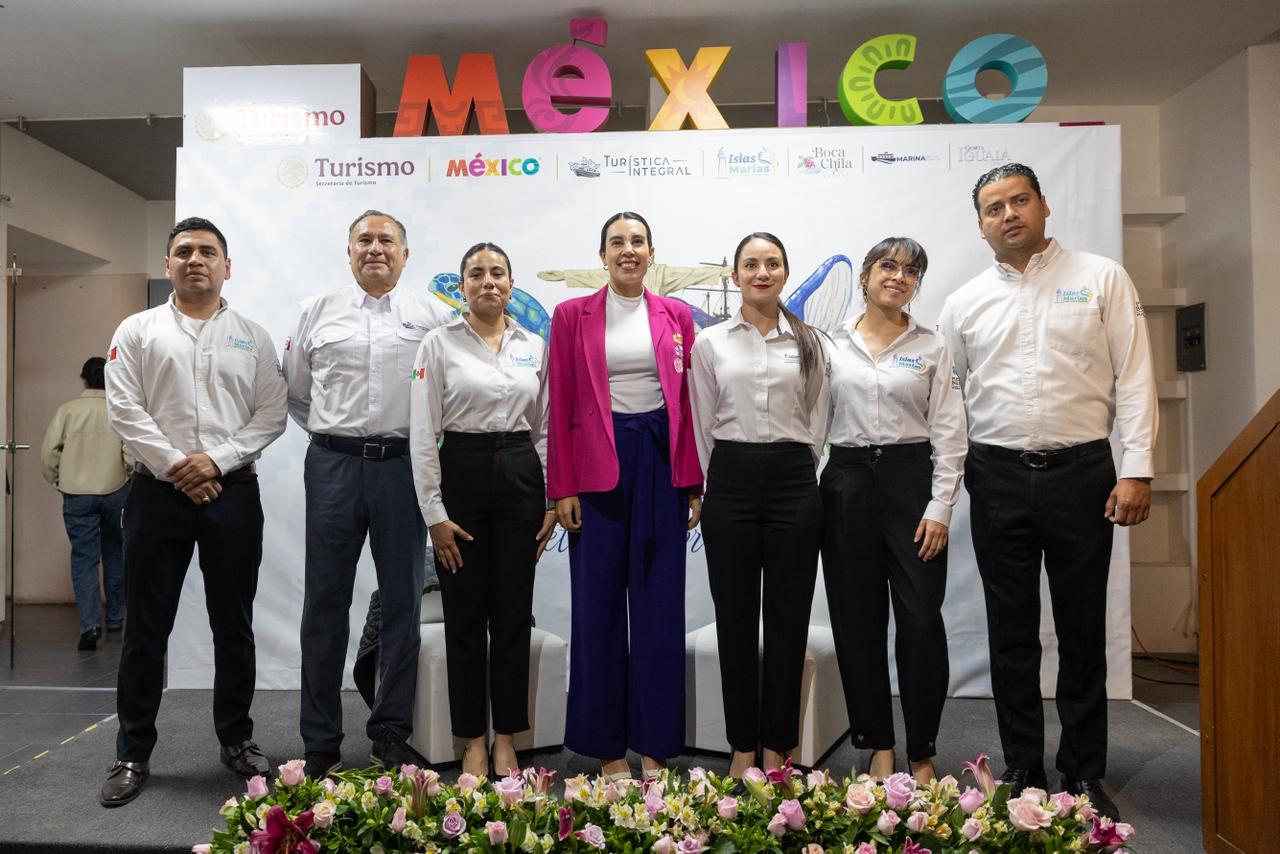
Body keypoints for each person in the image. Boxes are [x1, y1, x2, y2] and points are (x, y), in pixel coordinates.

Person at [939, 163, 1157, 821]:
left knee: (1081, 630)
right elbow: (949, 403)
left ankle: (1083, 770)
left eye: (1019, 200)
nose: (1008, 214)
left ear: (1044, 205)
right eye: (994, 207)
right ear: (980, 225)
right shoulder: (964, 303)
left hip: (1082, 475)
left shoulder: (1101, 278)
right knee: (1010, 632)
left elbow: (1135, 376)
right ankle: (1023, 767)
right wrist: (946, 486)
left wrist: (1137, 468)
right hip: (996, 477)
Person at [99, 217, 288, 807]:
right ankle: (132, 751)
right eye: (183, 251)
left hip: (233, 493)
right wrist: (179, 466)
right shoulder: (137, 330)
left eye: (208, 252)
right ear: (168, 264)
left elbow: (272, 413)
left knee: (233, 623)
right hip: (157, 495)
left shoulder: (253, 337)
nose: (195, 260)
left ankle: (236, 739)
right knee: (145, 627)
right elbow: (123, 407)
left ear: (227, 266)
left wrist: (215, 462)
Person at [283, 209, 453, 778]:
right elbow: (298, 394)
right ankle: (320, 742)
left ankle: (390, 734)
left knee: (404, 602)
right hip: (332, 465)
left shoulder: (431, 317)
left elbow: (443, 397)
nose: (375, 248)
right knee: (324, 604)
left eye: (386, 241)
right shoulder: (317, 311)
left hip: (402, 468)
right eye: (364, 240)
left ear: (405, 255)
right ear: (349, 250)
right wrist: (339, 437)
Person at [547, 212, 703, 781]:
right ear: (603, 255)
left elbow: (689, 402)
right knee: (598, 609)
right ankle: (608, 748)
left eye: (638, 241)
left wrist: (693, 482)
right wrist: (561, 487)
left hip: (661, 463)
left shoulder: (677, 314)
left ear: (651, 252)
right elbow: (560, 402)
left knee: (661, 608)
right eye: (617, 242)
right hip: (597, 469)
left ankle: (656, 745)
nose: (628, 250)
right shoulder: (572, 315)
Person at [822, 237, 967, 786]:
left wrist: (941, 505)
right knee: (857, 622)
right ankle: (878, 745)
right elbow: (812, 422)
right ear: (864, 276)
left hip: (912, 485)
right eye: (888, 266)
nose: (898, 277)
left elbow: (950, 431)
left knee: (922, 622)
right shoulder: (830, 343)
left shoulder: (931, 345)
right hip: (847, 481)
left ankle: (921, 748)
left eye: (910, 271)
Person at [409, 242, 556, 778]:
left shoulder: (534, 346)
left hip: (520, 476)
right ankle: (471, 737)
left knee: (513, 615)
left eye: (497, 273)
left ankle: (507, 737)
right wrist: (434, 513)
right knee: (465, 617)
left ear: (511, 284)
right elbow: (423, 432)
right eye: (477, 274)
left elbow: (544, 428)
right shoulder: (437, 343)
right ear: (463, 286)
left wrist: (548, 499)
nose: (488, 282)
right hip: (462, 475)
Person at [688, 232, 828, 776]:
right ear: (735, 276)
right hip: (731, 480)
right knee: (736, 619)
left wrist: (797, 469)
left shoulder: (810, 342)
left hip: (794, 480)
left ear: (785, 272)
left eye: (772, 263)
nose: (761, 272)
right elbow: (703, 421)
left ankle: (778, 747)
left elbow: (817, 418)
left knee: (789, 620)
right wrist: (715, 483)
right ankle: (742, 744)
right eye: (750, 264)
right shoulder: (711, 343)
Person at [41, 356, 132, 651]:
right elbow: (131, 454)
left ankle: (90, 625)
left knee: (84, 558)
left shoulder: (68, 410)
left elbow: (49, 454)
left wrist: (59, 480)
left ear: (83, 378)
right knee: (116, 554)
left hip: (77, 494)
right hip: (115, 491)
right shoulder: (118, 410)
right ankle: (116, 618)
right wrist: (126, 478)